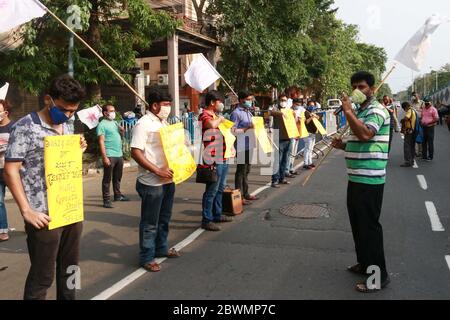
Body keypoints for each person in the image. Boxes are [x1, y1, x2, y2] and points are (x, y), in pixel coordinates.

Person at [4, 75, 87, 300]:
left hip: (70, 209)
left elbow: (62, 163)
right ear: (48, 99)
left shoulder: (66, 124)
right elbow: (10, 169)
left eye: (73, 111)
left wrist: (77, 148)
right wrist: (27, 211)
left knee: (71, 269)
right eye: (64, 109)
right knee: (43, 276)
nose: (68, 115)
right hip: (43, 214)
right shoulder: (25, 127)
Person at [332, 71, 390, 293]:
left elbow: (366, 135)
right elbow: (360, 142)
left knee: (369, 228)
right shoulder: (361, 111)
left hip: (370, 180)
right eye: (355, 87)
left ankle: (378, 276)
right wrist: (344, 145)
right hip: (355, 177)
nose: (358, 91)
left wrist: (348, 111)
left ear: (372, 90)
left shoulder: (376, 110)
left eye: (363, 87)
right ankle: (365, 263)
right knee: (358, 225)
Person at [131, 88, 180, 273]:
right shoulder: (143, 124)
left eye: (169, 105)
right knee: (150, 223)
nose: (168, 108)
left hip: (168, 179)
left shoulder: (164, 123)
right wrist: (157, 170)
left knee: (164, 218)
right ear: (154, 105)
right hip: (151, 182)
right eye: (165, 105)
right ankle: (147, 257)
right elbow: (135, 151)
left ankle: (161, 248)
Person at [199, 91, 233, 232]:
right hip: (213, 158)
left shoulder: (216, 116)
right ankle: (207, 219)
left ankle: (217, 214)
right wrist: (220, 119)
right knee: (211, 191)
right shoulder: (205, 115)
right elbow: (211, 125)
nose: (222, 104)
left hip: (223, 156)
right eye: (220, 101)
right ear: (212, 102)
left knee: (219, 189)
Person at [97, 104, 129, 208]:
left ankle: (118, 195)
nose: (113, 113)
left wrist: (122, 131)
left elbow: (120, 136)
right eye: (111, 111)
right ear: (105, 113)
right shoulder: (101, 125)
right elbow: (101, 142)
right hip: (110, 155)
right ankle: (106, 200)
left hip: (119, 154)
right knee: (107, 179)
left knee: (117, 177)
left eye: (114, 110)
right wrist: (104, 157)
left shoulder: (115, 123)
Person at [230, 91, 258, 205]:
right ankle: (239, 196)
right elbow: (232, 131)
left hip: (249, 144)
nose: (250, 101)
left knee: (247, 170)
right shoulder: (236, 113)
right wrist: (247, 128)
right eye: (248, 99)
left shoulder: (249, 112)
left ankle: (246, 193)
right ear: (241, 99)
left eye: (251, 99)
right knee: (240, 171)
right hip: (241, 145)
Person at [269, 94, 294, 188]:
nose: (283, 102)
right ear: (279, 100)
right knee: (277, 160)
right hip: (278, 138)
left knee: (285, 159)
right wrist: (281, 113)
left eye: (285, 100)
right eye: (282, 100)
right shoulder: (275, 109)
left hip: (288, 137)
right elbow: (270, 113)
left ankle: (282, 178)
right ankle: (274, 180)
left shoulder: (289, 111)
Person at [0, 99, 14, 242]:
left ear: (5, 113)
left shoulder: (14, 127)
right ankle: (3, 230)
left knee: (23, 198)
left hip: (13, 170)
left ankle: (32, 225)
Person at [303, 100, 320, 170]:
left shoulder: (312, 112)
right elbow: (306, 122)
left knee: (311, 149)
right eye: (311, 105)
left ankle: (310, 162)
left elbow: (318, 117)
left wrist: (315, 116)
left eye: (313, 105)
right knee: (307, 149)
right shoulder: (306, 112)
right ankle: (305, 163)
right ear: (308, 106)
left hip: (313, 133)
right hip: (308, 133)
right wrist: (312, 117)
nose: (312, 107)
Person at [400, 101, 417, 167]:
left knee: (407, 146)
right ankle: (412, 160)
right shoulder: (413, 110)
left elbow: (407, 117)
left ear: (406, 107)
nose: (404, 110)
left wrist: (402, 120)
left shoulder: (409, 110)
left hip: (409, 131)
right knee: (412, 146)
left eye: (404, 109)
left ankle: (407, 162)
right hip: (413, 130)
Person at [411, 92, 424, 156]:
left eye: (415, 95)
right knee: (413, 136)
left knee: (420, 136)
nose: (414, 97)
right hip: (413, 121)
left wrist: (417, 111)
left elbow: (424, 111)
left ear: (418, 96)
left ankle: (420, 151)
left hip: (420, 121)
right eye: (413, 96)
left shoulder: (422, 102)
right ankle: (415, 151)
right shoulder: (411, 103)